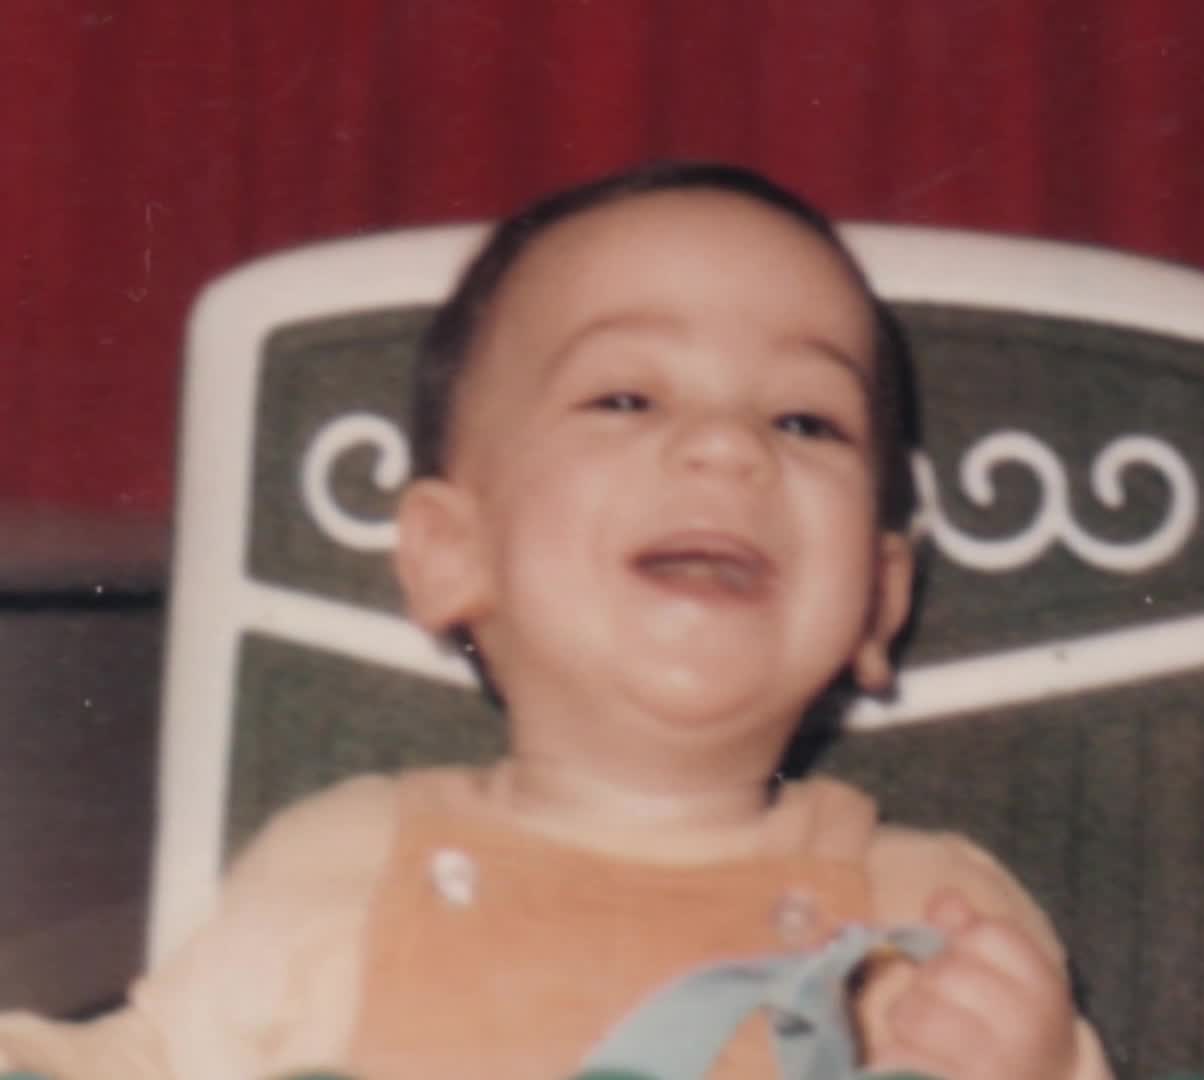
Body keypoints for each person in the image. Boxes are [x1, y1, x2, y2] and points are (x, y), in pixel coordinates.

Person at [0, 163, 1113, 1080]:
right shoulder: (351, 858)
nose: (729, 445)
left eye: (806, 418)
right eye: (626, 397)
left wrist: (1037, 1066)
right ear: (452, 553)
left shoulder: (936, 911)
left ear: (878, 594)